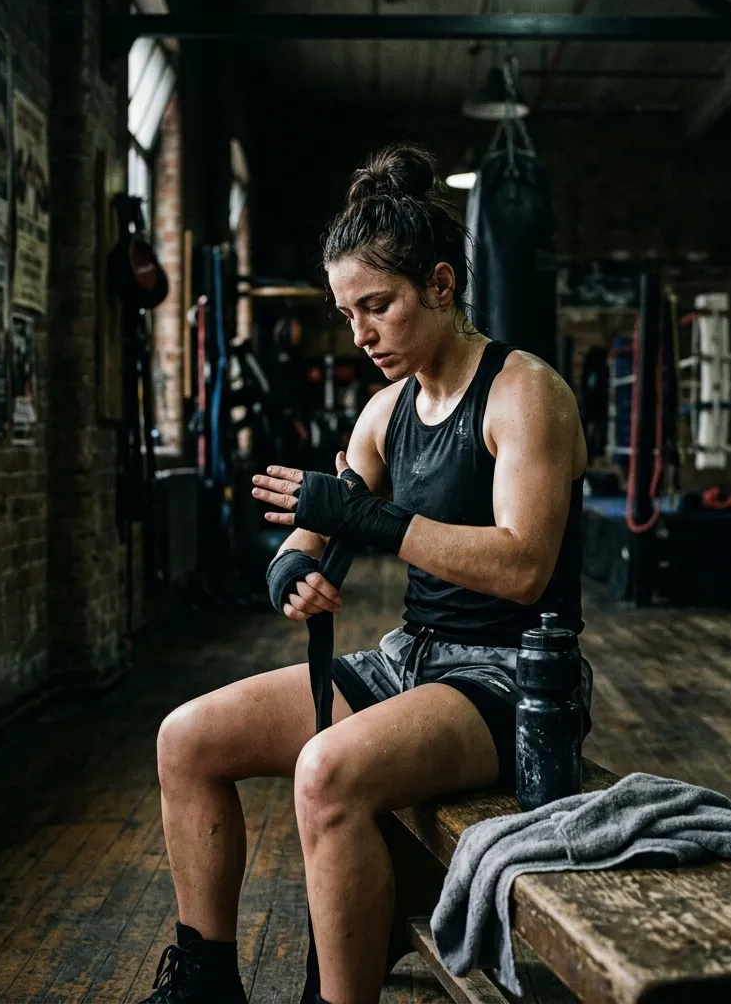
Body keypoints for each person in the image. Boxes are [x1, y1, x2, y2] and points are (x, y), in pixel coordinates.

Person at [143, 144, 592, 1004]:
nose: (361, 334)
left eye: (378, 306)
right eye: (347, 313)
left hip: (514, 683)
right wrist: (289, 574)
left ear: (443, 284)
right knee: (186, 739)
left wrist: (374, 521)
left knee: (326, 772)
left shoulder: (525, 395)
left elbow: (526, 567)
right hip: (410, 662)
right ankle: (203, 983)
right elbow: (310, 535)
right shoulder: (385, 411)